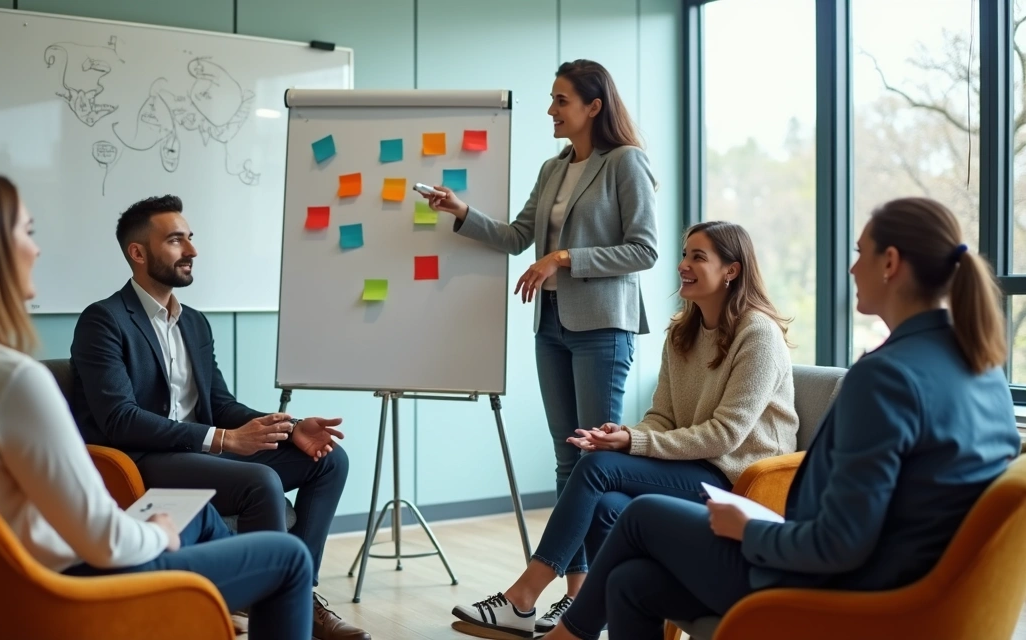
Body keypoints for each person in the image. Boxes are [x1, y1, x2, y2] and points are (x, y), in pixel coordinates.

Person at [539, 197, 1021, 640]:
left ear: (890, 263)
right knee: (628, 582)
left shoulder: (887, 378)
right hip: (900, 583)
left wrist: (751, 529)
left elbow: (840, 543)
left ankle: (567, 633)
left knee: (641, 514)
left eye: (860, 252)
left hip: (844, 592)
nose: (852, 268)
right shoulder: (984, 370)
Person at [0, 172, 314, 639]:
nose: (35, 250)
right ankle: (230, 605)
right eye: (27, 232)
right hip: (60, 588)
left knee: (197, 513)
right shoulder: (13, 379)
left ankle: (210, 616)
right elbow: (104, 540)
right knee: (288, 557)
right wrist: (157, 532)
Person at [449, 220, 798, 637]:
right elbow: (663, 416)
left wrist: (634, 442)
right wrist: (625, 435)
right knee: (603, 498)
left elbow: (726, 435)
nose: (683, 265)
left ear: (732, 271)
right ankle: (593, 617)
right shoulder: (681, 333)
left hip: (741, 480)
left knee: (598, 468)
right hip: (697, 468)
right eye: (684, 254)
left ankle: (526, 600)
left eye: (698, 257)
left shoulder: (758, 334)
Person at [69, 194, 368, 640]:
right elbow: (120, 419)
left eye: (190, 238)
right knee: (259, 481)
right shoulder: (104, 321)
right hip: (143, 458)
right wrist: (224, 441)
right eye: (175, 240)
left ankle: (298, 594)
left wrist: (287, 427)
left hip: (200, 451)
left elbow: (221, 404)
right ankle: (279, 605)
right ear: (138, 252)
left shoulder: (194, 323)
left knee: (329, 459)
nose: (191, 250)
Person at [422, 59, 659, 621]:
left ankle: (589, 603)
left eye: (560, 100)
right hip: (550, 325)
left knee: (594, 461)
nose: (551, 111)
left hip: (602, 326)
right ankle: (575, 596)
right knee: (565, 461)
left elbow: (644, 250)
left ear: (593, 106)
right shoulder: (554, 168)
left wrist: (564, 258)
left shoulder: (626, 163)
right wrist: (462, 212)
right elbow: (516, 236)